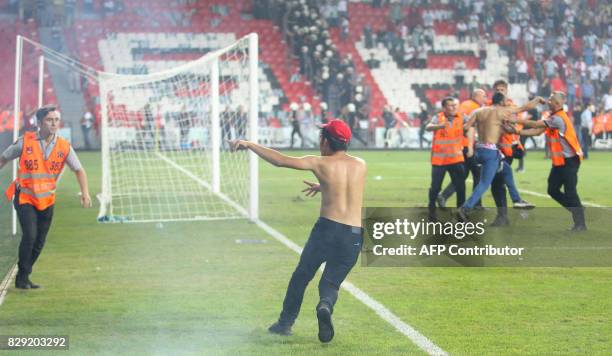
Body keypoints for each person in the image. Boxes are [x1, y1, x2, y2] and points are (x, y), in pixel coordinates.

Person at [229, 119, 366, 343]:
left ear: (326, 141)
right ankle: (325, 306)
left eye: (321, 137)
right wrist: (324, 186)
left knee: (301, 276)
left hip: (327, 230)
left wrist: (249, 144)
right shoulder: (361, 164)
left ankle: (285, 323)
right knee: (330, 284)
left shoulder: (320, 163)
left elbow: (281, 161)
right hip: (354, 233)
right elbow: (347, 185)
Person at [0, 106, 92, 289]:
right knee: (30, 236)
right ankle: (23, 277)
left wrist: (86, 193)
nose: (54, 123)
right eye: (50, 120)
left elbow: (79, 170)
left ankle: (22, 276)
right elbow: (4, 158)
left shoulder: (64, 146)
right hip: (25, 197)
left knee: (39, 241)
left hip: (47, 199)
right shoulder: (24, 142)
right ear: (40, 122)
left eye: (56, 119)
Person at [459, 93, 543, 220]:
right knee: (484, 183)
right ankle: (465, 208)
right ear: (502, 102)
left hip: (479, 149)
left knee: (507, 169)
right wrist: (538, 99)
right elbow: (524, 108)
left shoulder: (478, 111)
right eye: (506, 101)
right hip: (490, 151)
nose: (507, 103)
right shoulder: (501, 111)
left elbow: (465, 128)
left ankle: (517, 199)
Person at [516, 92, 586, 231]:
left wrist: (514, 121)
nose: (548, 101)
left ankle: (580, 223)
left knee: (570, 191)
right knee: (552, 189)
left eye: (551, 100)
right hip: (560, 161)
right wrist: (518, 132)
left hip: (570, 161)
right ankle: (578, 210)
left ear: (558, 104)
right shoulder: (554, 117)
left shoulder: (558, 119)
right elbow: (537, 132)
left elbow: (535, 124)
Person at [438, 89, 486, 209]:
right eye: (483, 96)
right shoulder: (471, 106)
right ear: (476, 96)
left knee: (463, 175)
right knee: (478, 173)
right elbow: (467, 125)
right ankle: (476, 203)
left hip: (462, 145)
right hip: (466, 145)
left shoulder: (467, 105)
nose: (485, 98)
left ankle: (444, 195)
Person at [426, 97, 465, 219]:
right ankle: (432, 211)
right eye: (451, 105)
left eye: (455, 105)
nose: (454, 107)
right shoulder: (438, 117)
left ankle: (461, 212)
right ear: (444, 108)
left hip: (456, 159)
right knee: (435, 188)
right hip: (440, 160)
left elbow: (472, 124)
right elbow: (428, 127)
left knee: (460, 187)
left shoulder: (462, 117)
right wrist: (440, 126)